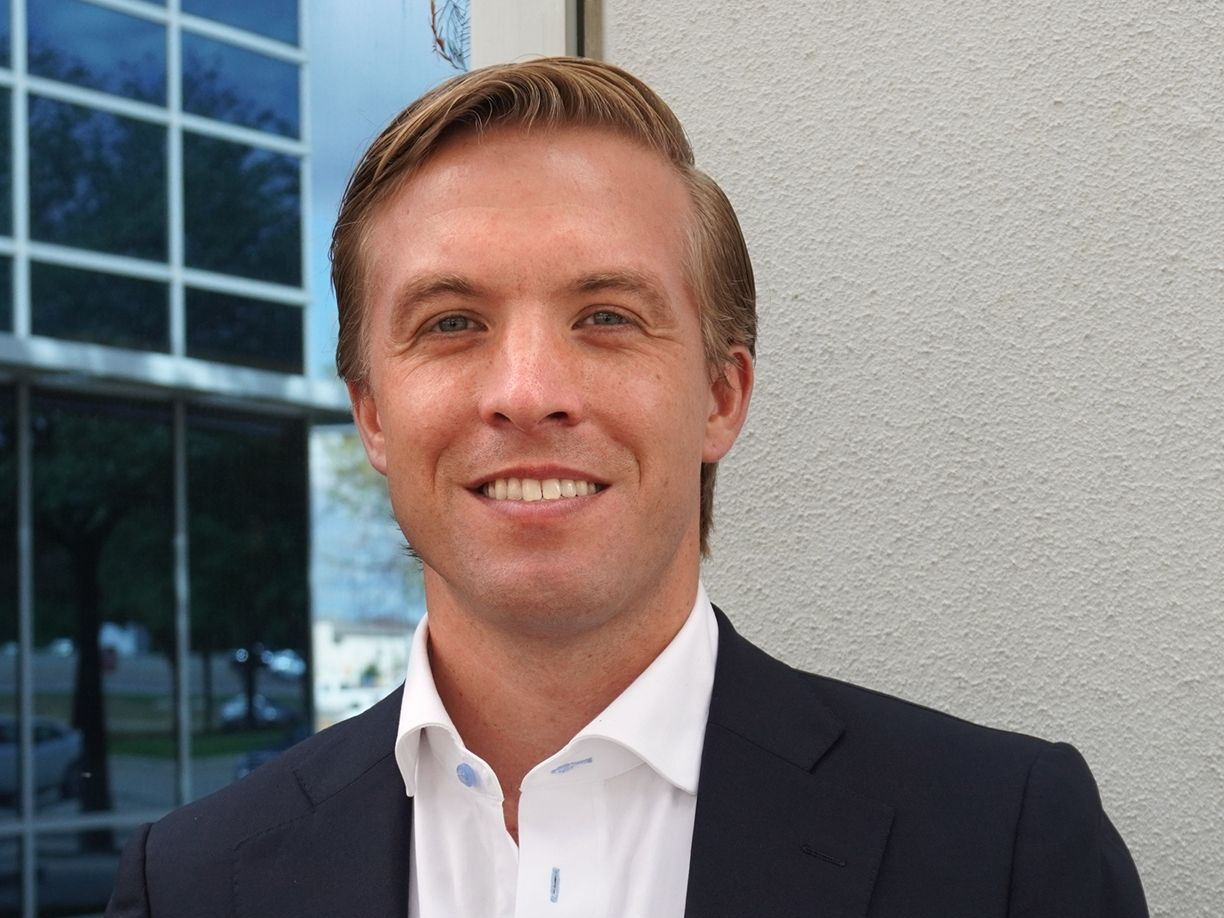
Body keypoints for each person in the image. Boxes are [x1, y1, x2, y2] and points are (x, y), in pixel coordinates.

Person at [106, 57, 1147, 918]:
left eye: (605, 316)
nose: (526, 393)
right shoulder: (193, 884)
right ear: (374, 414)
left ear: (720, 397)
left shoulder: (1005, 847)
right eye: (452, 323)